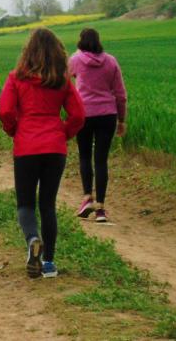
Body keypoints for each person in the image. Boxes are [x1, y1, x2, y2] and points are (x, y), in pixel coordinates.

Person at [0, 28, 85, 279]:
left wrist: (15, 129)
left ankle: (32, 239)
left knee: (25, 204)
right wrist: (63, 133)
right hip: (54, 147)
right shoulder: (62, 81)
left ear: (29, 52)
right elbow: (79, 115)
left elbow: (5, 111)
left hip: (26, 145)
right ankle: (48, 262)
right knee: (47, 204)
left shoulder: (16, 78)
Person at [69, 28, 127, 223]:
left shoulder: (75, 60)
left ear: (81, 41)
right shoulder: (111, 61)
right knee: (101, 160)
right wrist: (121, 120)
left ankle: (87, 198)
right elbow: (120, 94)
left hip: (84, 113)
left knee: (85, 156)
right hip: (107, 115)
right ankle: (101, 209)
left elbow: (63, 84)